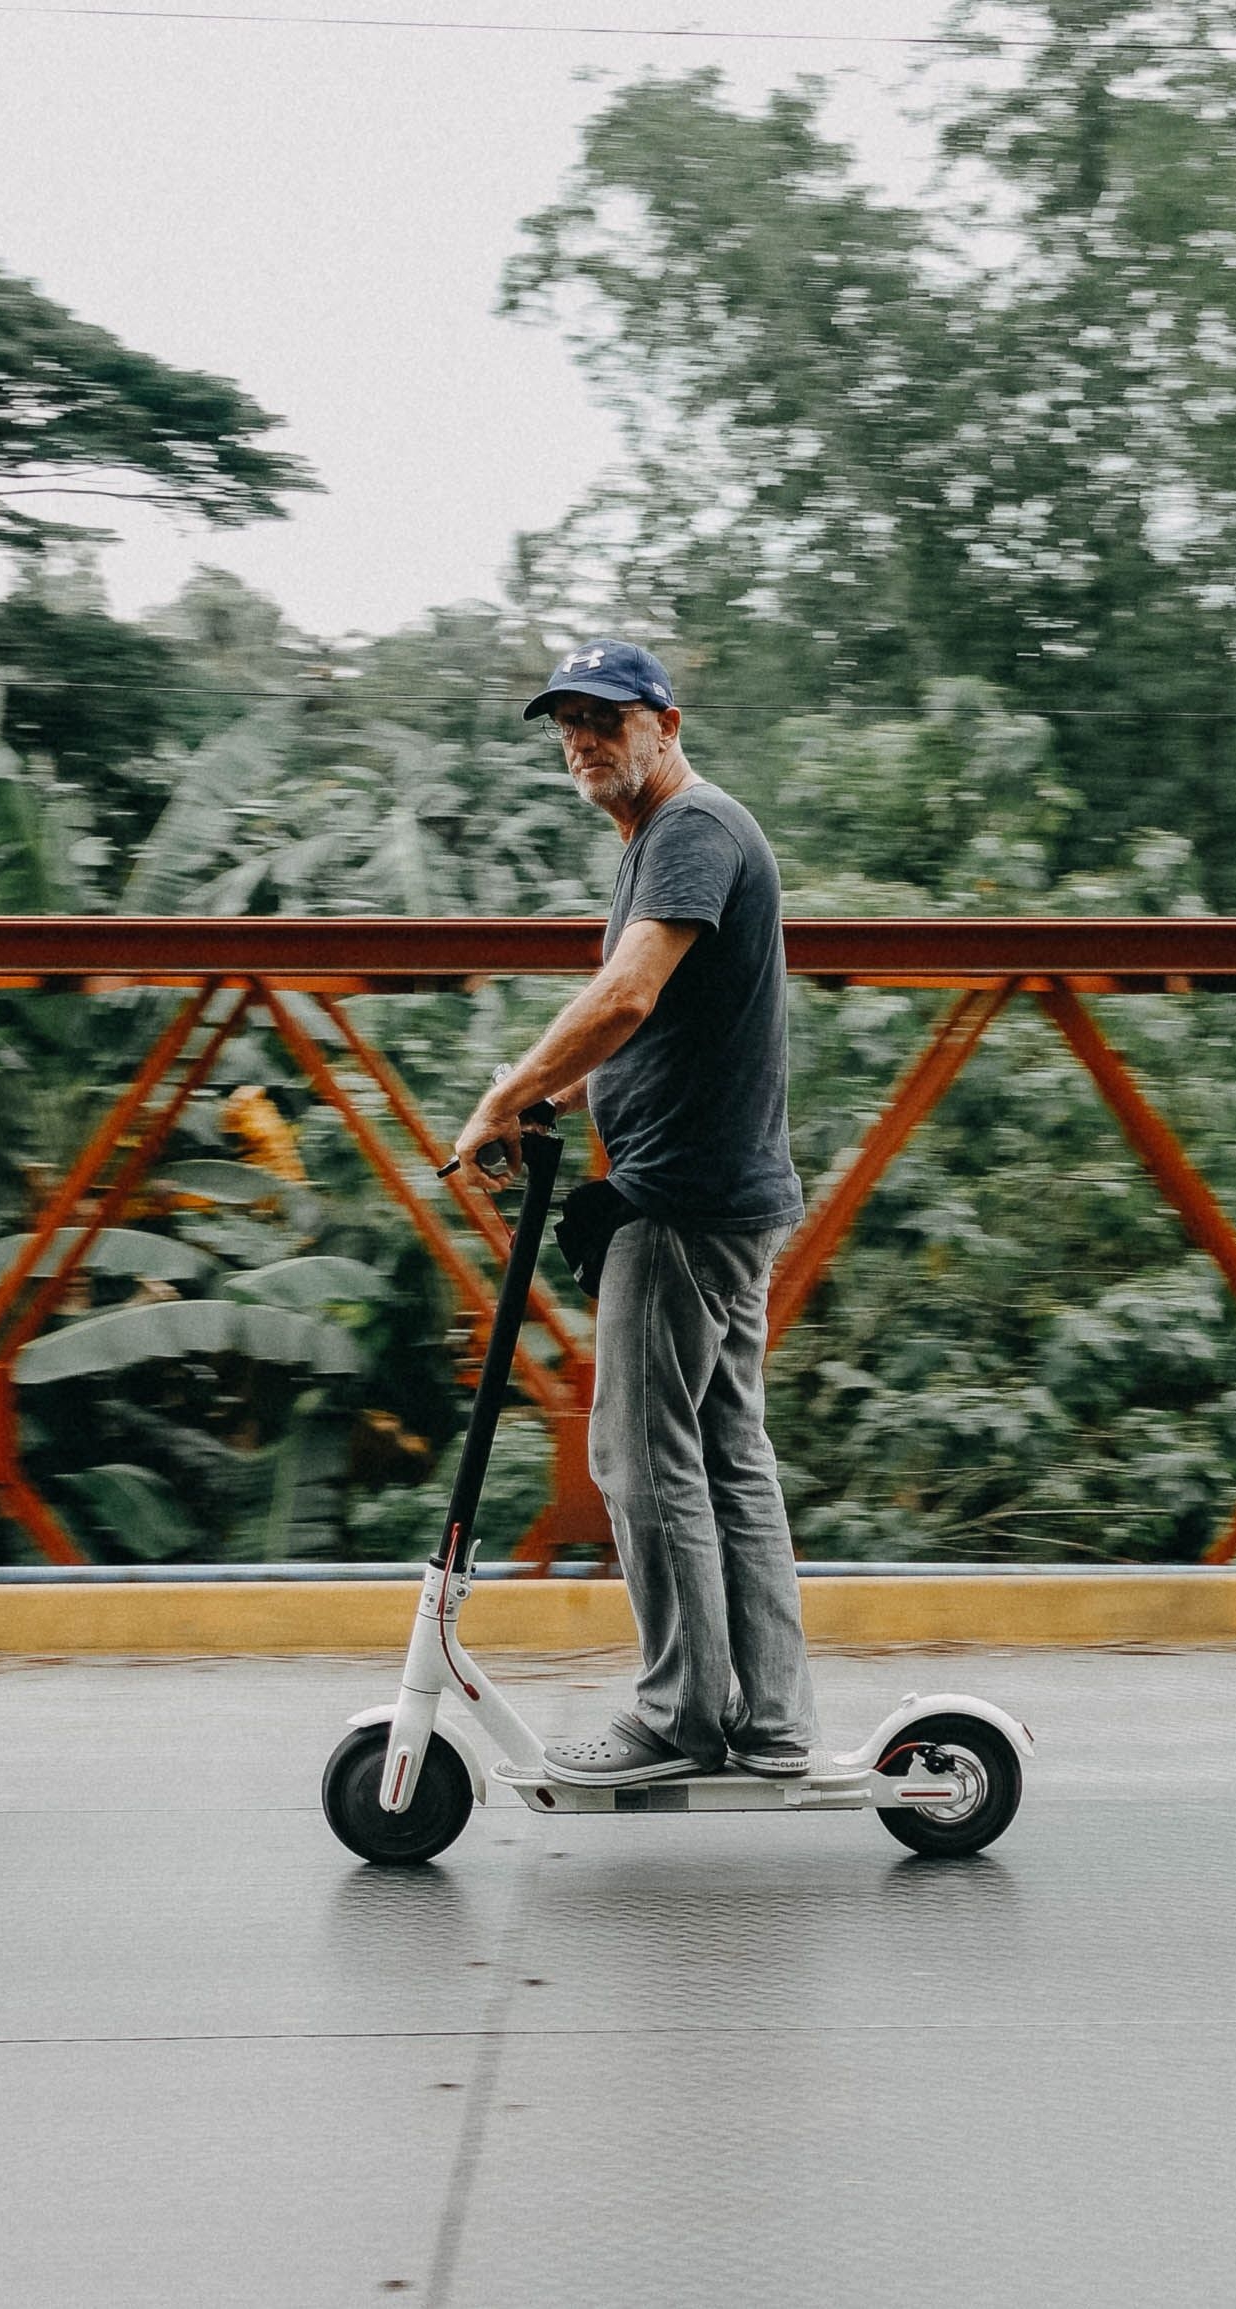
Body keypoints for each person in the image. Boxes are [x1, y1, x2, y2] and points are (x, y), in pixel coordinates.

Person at [450, 639, 816, 1787]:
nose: (582, 739)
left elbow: (627, 993)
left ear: (664, 718)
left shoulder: (691, 829)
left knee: (635, 1457)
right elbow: (650, 1027)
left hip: (682, 1200)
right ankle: (770, 1723)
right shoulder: (671, 838)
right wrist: (548, 1104)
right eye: (566, 721)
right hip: (729, 1194)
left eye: (604, 717)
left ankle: (678, 1718)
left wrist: (503, 1093)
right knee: (723, 1453)